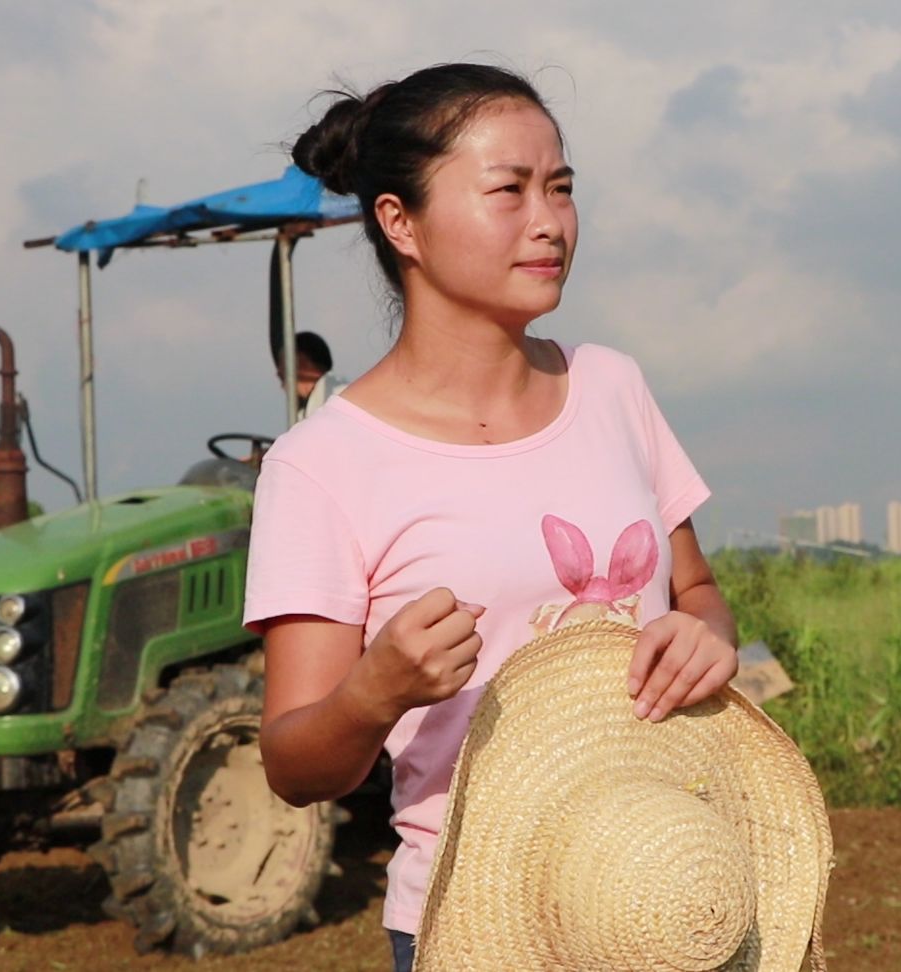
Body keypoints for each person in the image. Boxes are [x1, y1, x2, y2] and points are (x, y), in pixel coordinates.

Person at [243, 62, 739, 972]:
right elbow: (294, 764)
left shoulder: (611, 387)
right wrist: (374, 691)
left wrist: (708, 633)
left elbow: (697, 588)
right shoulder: (320, 467)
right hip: (483, 925)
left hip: (677, 898)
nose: (549, 221)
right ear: (401, 223)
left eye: (561, 189)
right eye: (508, 191)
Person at [273, 330, 349, 420]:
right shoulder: (307, 409)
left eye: (283, 376)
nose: (283, 386)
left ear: (301, 362)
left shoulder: (340, 394)